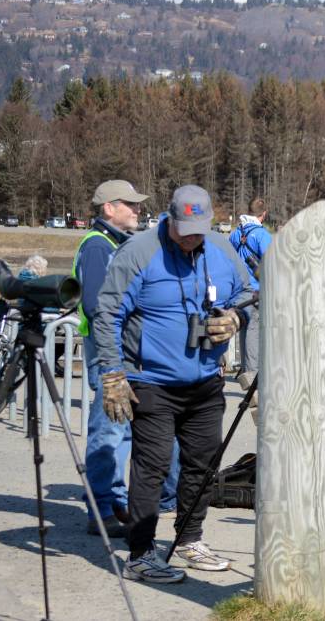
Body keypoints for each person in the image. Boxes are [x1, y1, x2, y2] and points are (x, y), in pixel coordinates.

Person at [93, 185, 252, 583]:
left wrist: (236, 317)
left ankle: (188, 538)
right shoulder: (139, 252)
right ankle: (141, 553)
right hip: (151, 382)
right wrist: (113, 373)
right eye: (184, 229)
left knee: (202, 464)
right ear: (169, 218)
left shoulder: (221, 249)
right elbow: (107, 313)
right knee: (152, 468)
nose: (191, 237)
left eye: (199, 229)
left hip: (205, 381)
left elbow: (252, 292)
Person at [74, 180, 179, 539]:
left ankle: (115, 502)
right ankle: (101, 508)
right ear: (108, 208)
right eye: (128, 204)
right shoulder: (96, 246)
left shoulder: (116, 244)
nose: (137, 210)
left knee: (121, 432)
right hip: (109, 355)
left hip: (123, 353)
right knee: (107, 430)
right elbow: (96, 306)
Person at [228, 197, 271, 374]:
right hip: (256, 290)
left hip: (239, 290)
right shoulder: (262, 235)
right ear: (264, 214)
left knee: (245, 330)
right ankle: (252, 375)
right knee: (254, 331)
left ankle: (246, 371)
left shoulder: (236, 233)